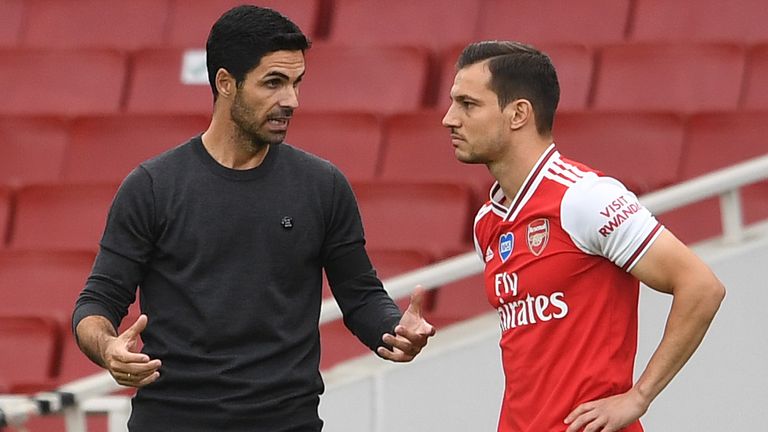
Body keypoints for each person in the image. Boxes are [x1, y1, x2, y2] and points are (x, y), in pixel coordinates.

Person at [72, 5, 435, 432]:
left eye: (297, 83)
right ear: (226, 83)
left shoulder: (323, 185)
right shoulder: (152, 186)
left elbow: (359, 295)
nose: (291, 100)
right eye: (274, 83)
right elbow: (95, 304)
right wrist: (108, 348)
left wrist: (394, 328)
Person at [441, 40, 725, 432]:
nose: (449, 118)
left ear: (519, 114)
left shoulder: (585, 197)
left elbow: (701, 287)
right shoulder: (487, 223)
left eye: (468, 104)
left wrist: (638, 397)